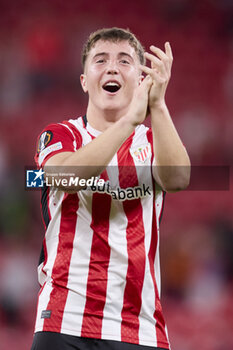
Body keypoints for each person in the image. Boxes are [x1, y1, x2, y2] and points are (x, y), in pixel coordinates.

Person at [31, 27, 190, 350]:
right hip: (66, 318)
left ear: (141, 78)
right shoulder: (60, 135)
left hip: (141, 327)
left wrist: (156, 105)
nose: (112, 68)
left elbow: (177, 180)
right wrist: (129, 120)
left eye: (124, 61)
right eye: (100, 60)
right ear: (84, 81)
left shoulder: (151, 140)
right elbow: (65, 175)